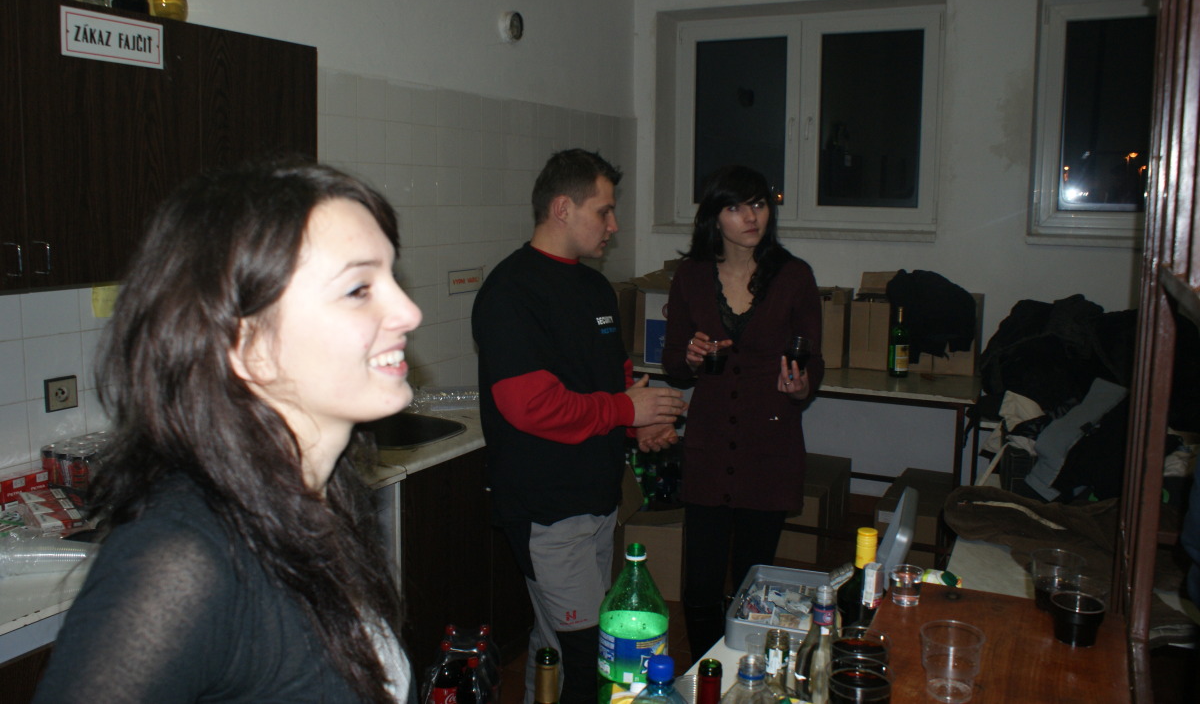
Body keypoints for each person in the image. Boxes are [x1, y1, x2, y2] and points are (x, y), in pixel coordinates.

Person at [33, 164, 422, 704]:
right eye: (359, 289)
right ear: (248, 348)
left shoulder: (318, 498)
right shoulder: (181, 558)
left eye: (391, 278)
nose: (409, 311)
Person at [472, 149, 685, 704]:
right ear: (563, 208)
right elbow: (531, 406)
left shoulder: (595, 288)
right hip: (547, 511)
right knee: (590, 656)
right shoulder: (512, 292)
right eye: (604, 211)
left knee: (555, 644)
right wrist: (626, 412)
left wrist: (639, 425)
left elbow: (612, 381)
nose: (614, 226)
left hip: (597, 502)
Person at [660, 165, 825, 657]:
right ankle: (707, 673)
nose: (751, 216)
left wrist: (801, 385)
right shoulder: (691, 277)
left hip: (769, 445)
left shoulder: (794, 276)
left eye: (758, 204)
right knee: (700, 586)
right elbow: (673, 365)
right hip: (709, 445)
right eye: (735, 207)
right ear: (714, 217)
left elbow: (812, 360)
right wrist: (690, 358)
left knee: (754, 584)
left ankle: (749, 674)